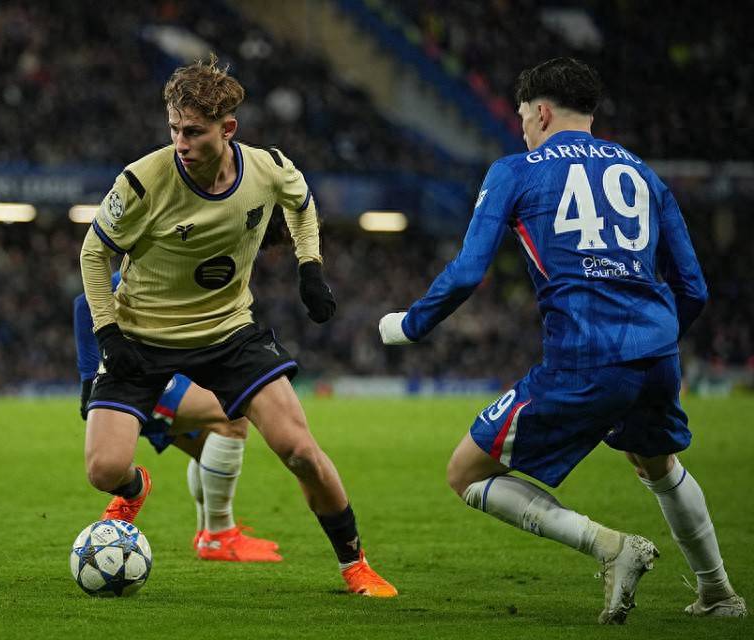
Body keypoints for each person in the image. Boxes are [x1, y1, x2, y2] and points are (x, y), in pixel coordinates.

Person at [379, 57, 745, 622]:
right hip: (657, 356)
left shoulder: (516, 171)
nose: (523, 129)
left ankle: (610, 547)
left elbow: (468, 272)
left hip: (584, 358)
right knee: (658, 465)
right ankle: (719, 593)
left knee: (465, 473)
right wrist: (656, 343)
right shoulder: (644, 174)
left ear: (542, 113)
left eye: (524, 117)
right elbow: (692, 287)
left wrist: (410, 325)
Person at [79, 56, 396, 597]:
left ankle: (355, 565)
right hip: (140, 337)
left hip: (228, 332)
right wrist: (108, 333)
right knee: (103, 471)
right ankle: (135, 488)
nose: (180, 142)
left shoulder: (267, 168)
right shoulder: (141, 181)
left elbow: (301, 203)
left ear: (228, 129)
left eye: (193, 131)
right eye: (174, 129)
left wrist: (310, 266)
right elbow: (93, 253)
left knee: (300, 449)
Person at [74, 272, 281, 562]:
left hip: (162, 371)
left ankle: (209, 535)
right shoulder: (167, 264)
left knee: (208, 443)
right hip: (137, 375)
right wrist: (88, 378)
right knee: (232, 415)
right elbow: (84, 303)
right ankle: (219, 534)